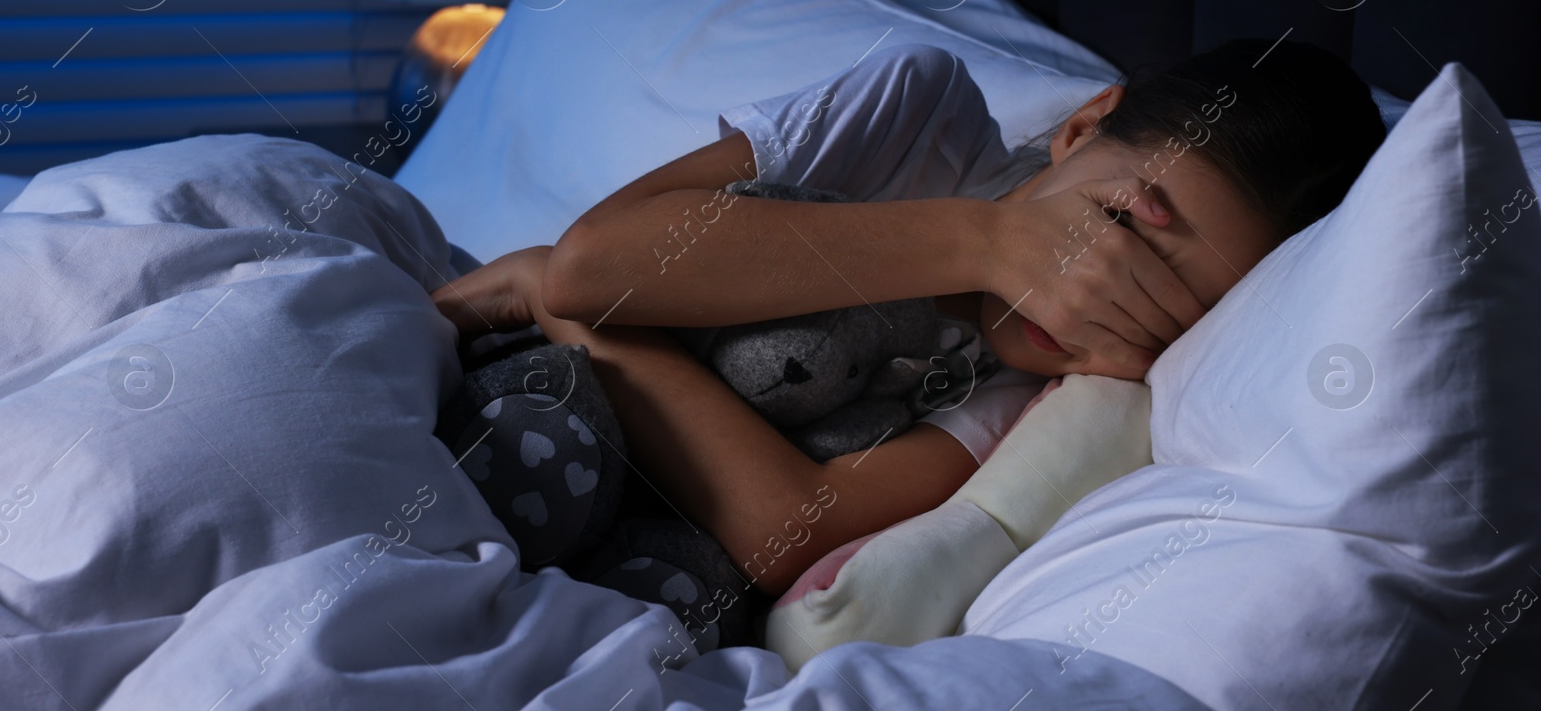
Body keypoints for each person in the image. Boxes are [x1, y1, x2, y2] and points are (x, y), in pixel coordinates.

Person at [432, 39, 1386, 600]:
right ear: (1085, 126)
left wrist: (547, 298)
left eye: (1164, 314)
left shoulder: (1049, 404)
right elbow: (602, 259)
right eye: (1113, 223)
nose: (1089, 295)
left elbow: (792, 533)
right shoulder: (916, 119)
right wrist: (981, 241)